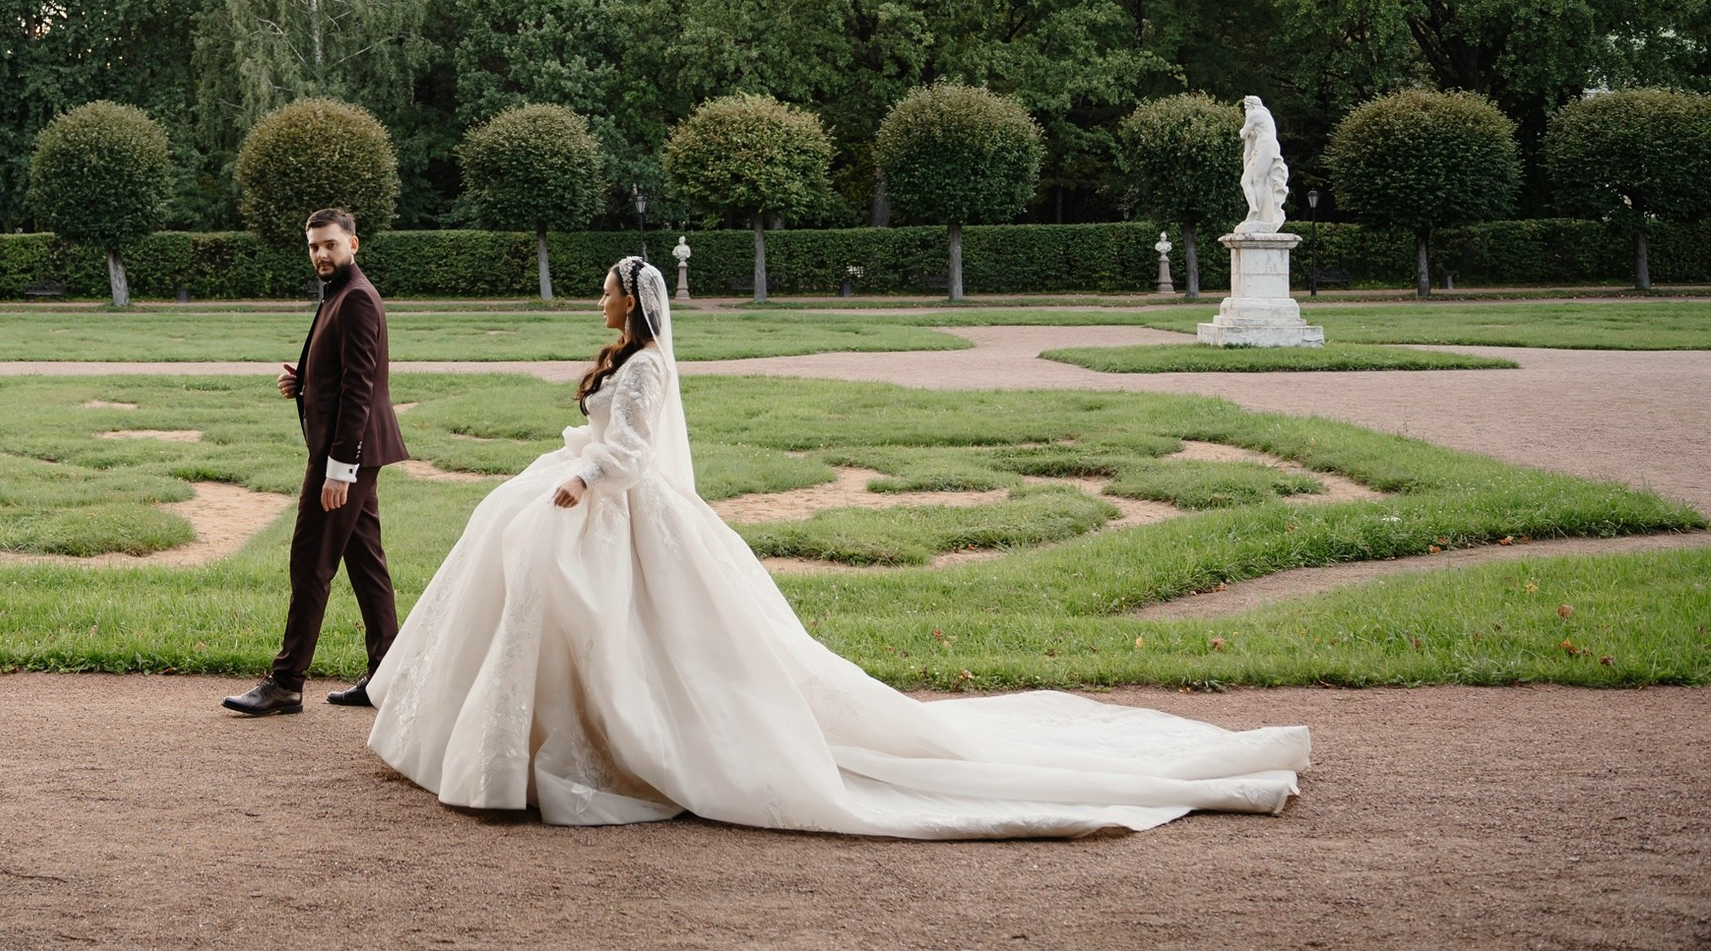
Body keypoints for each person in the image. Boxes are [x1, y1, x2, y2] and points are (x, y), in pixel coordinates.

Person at [364, 256, 1310, 838]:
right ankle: (519, 748)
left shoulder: (648, 367)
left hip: (618, 507)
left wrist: (582, 477)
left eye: (607, 291)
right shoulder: (623, 357)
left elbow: (630, 451)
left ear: (632, 303)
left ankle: (602, 752)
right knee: (526, 569)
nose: (599, 301)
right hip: (591, 496)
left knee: (620, 624)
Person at [221, 208, 409, 716]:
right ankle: (385, 675)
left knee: (310, 563)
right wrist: (301, 382)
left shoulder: (357, 300)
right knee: (366, 564)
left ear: (354, 244)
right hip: (352, 451)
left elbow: (360, 389)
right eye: (313, 246)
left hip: (346, 454)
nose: (321, 254)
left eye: (330, 244)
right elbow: (338, 373)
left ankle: (285, 682)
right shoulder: (341, 295)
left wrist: (340, 468)